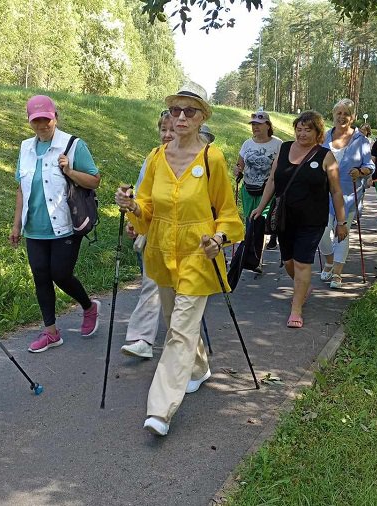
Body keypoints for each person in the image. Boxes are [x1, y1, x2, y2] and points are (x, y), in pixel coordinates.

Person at [114, 86, 243, 436]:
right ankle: (200, 369)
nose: (181, 117)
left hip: (198, 254)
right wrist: (131, 207)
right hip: (161, 252)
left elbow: (229, 214)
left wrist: (218, 239)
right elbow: (148, 208)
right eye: (175, 111)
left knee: (180, 331)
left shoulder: (211, 159)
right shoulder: (157, 156)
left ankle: (160, 410)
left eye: (190, 111)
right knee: (175, 323)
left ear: (203, 117)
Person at [10, 95, 102, 353]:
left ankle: (89, 306)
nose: (42, 125)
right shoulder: (26, 147)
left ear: (55, 117)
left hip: (64, 224)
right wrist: (16, 224)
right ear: (30, 122)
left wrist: (70, 171)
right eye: (36, 120)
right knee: (41, 276)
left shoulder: (73, 145)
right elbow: (21, 189)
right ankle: (51, 332)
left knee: (60, 274)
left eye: (46, 119)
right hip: (34, 226)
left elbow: (95, 181)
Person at [250, 111, 348, 327]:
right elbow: (273, 181)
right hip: (285, 218)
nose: (302, 133)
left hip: (312, 221)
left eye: (308, 129)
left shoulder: (325, 156)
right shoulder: (284, 148)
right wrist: (260, 207)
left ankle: (296, 309)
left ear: (317, 132)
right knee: (288, 262)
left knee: (303, 263)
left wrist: (341, 222)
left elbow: (336, 191)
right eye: (299, 129)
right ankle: (302, 286)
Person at [119, 111, 176, 359]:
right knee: (151, 283)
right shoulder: (153, 157)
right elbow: (143, 195)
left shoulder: (200, 159)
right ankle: (141, 338)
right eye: (163, 129)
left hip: (187, 236)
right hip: (155, 231)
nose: (167, 134)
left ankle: (185, 346)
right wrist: (134, 215)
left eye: (172, 129)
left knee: (181, 293)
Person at [317, 99, 375, 288]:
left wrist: (360, 172)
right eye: (338, 113)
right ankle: (329, 261)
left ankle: (338, 274)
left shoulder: (361, 140)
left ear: (352, 117)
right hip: (323, 193)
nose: (342, 117)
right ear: (333, 115)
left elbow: (369, 165)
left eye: (346, 114)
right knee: (321, 232)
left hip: (349, 194)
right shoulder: (324, 137)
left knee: (342, 231)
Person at [234, 110, 282, 263]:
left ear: (268, 125)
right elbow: (240, 163)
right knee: (250, 221)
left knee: (260, 221)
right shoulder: (247, 143)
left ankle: (257, 259)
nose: (255, 127)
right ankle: (250, 254)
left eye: (259, 124)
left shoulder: (277, 144)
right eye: (253, 124)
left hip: (267, 189)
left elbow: (280, 167)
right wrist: (238, 170)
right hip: (248, 188)